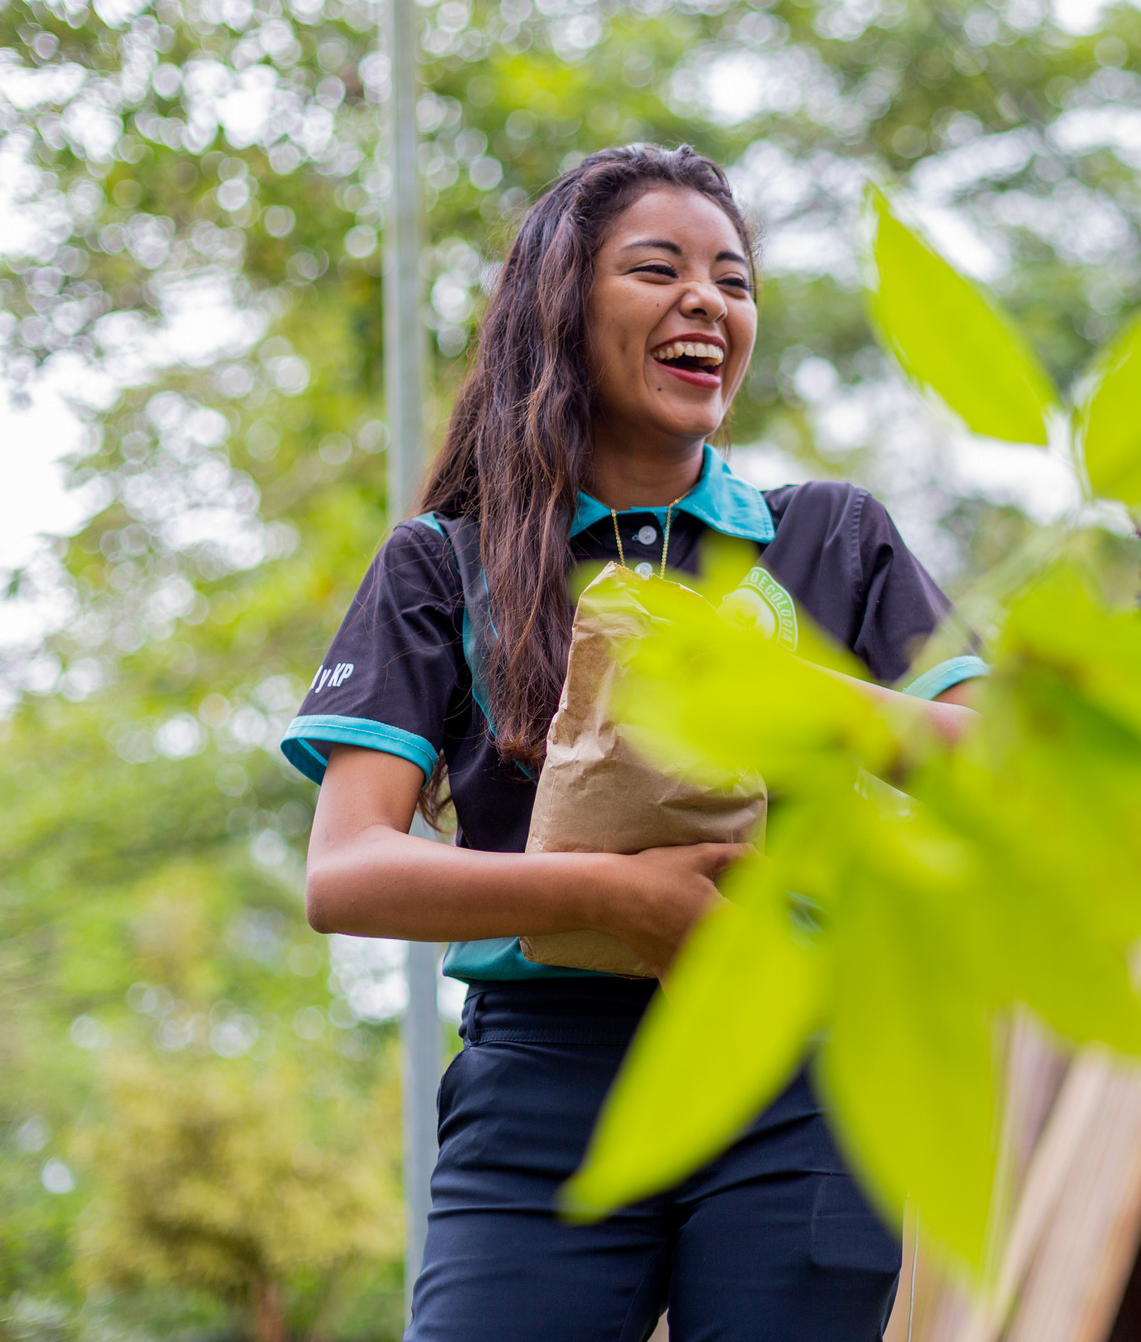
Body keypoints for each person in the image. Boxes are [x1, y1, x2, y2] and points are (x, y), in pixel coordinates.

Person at [283, 144, 983, 1341]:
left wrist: (788, 696)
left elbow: (1002, 765)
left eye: (734, 279)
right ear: (562, 306)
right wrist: (617, 896)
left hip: (803, 1065)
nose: (706, 300)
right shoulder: (443, 564)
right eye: (656, 269)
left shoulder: (832, 537)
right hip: (539, 1077)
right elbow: (344, 870)